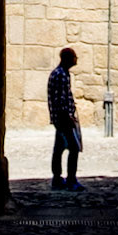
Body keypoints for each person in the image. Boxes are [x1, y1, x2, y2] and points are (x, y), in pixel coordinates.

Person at [47, 46, 82, 190]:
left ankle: (57, 178)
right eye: (74, 57)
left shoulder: (60, 73)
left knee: (59, 148)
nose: (76, 60)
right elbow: (60, 98)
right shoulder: (61, 75)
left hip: (59, 117)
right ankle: (71, 180)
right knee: (74, 147)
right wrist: (68, 116)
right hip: (63, 118)